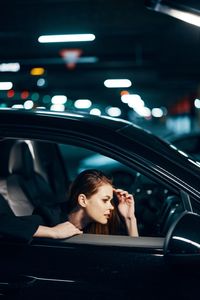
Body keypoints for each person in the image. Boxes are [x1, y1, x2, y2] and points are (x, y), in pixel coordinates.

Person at [66, 169, 138, 237]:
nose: (112, 207)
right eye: (105, 200)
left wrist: (129, 218)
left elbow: (136, 249)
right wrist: (54, 233)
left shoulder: (106, 224)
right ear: (83, 200)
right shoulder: (55, 218)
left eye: (110, 201)